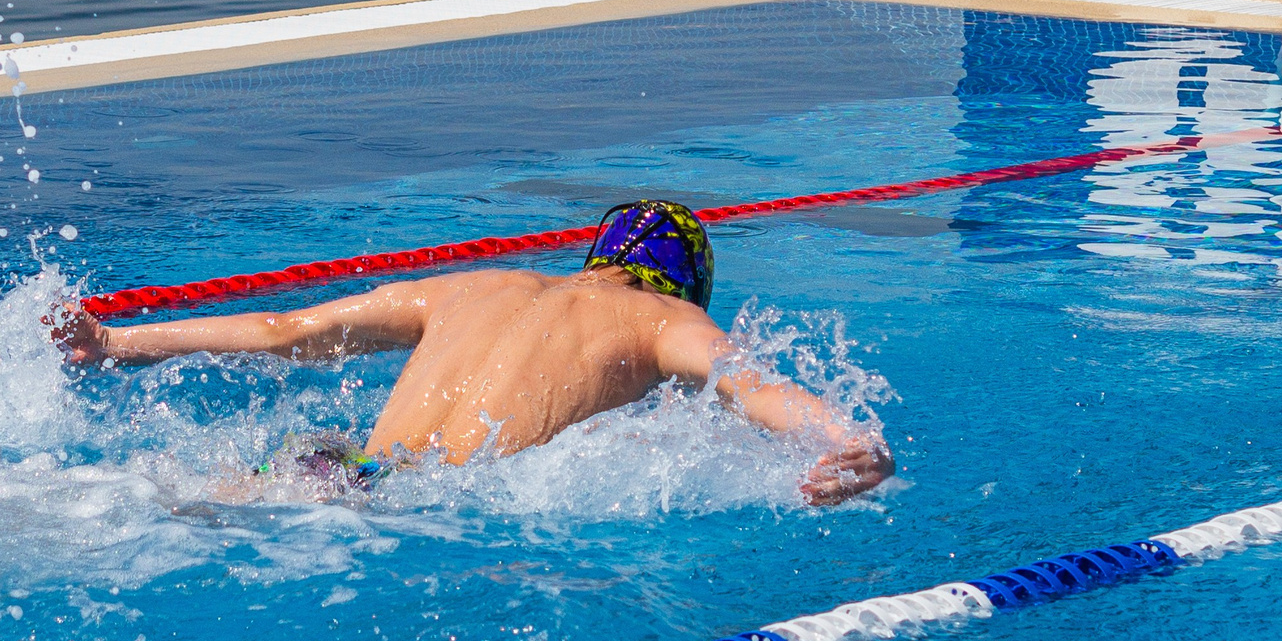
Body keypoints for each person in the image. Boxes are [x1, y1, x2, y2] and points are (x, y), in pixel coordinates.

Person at [46, 200, 894, 506]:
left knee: (160, 503)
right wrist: (846, 439)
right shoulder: (664, 324)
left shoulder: (468, 287)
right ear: (682, 288)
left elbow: (284, 333)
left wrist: (115, 340)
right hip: (412, 509)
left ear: (595, 258)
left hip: (330, 470)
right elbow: (754, 385)